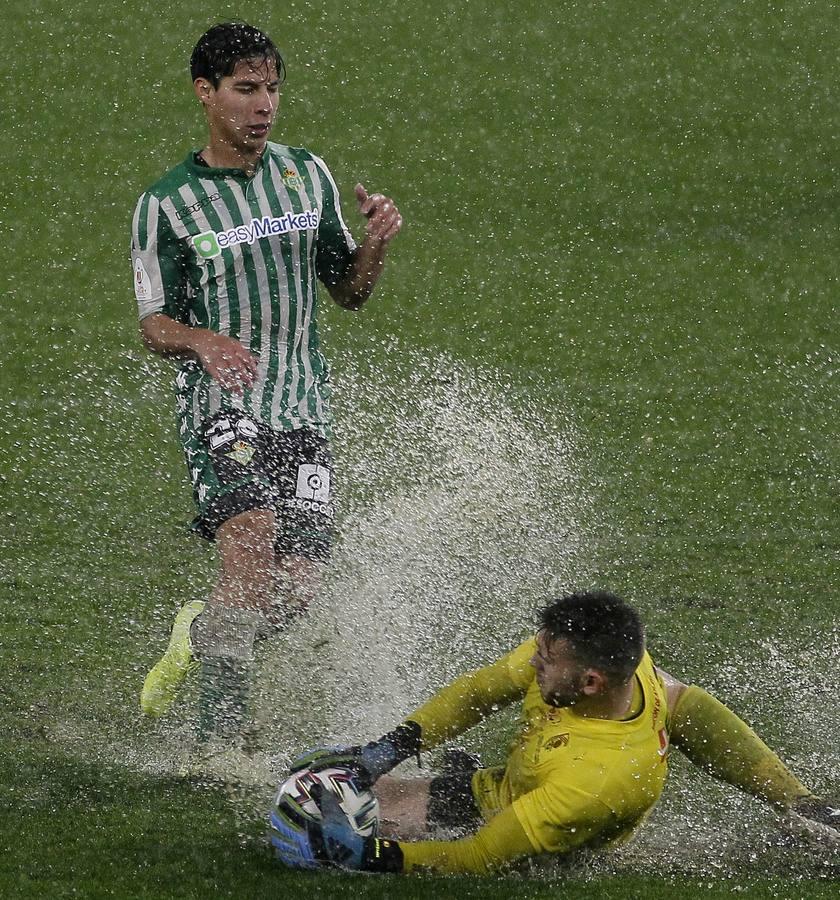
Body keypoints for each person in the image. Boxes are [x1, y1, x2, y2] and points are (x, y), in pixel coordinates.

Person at [130, 22, 402, 769]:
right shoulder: (167, 205)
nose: (264, 106)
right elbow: (153, 322)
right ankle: (220, 740)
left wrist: (376, 240)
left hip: (302, 408)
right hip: (223, 408)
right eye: (246, 90)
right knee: (248, 548)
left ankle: (201, 630)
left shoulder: (304, 176)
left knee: (295, 589)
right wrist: (203, 341)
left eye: (272, 89)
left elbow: (349, 291)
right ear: (205, 93)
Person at [270, 591, 838, 874]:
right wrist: (387, 750)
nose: (532, 666)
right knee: (313, 783)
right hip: (509, 785)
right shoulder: (616, 667)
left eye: (546, 661)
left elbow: (481, 856)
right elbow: (481, 690)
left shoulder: (594, 781)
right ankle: (809, 809)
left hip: (532, 833)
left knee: (337, 836)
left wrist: (374, 858)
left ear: (591, 682)